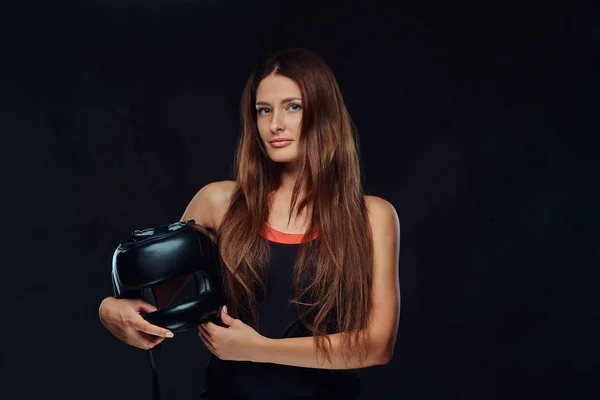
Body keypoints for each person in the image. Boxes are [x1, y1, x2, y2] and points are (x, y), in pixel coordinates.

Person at [99, 47, 400, 399]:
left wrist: (257, 349)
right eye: (263, 110)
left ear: (323, 112)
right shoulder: (219, 203)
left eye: (293, 107)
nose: (275, 124)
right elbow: (151, 305)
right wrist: (109, 310)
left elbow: (377, 345)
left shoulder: (372, 217)